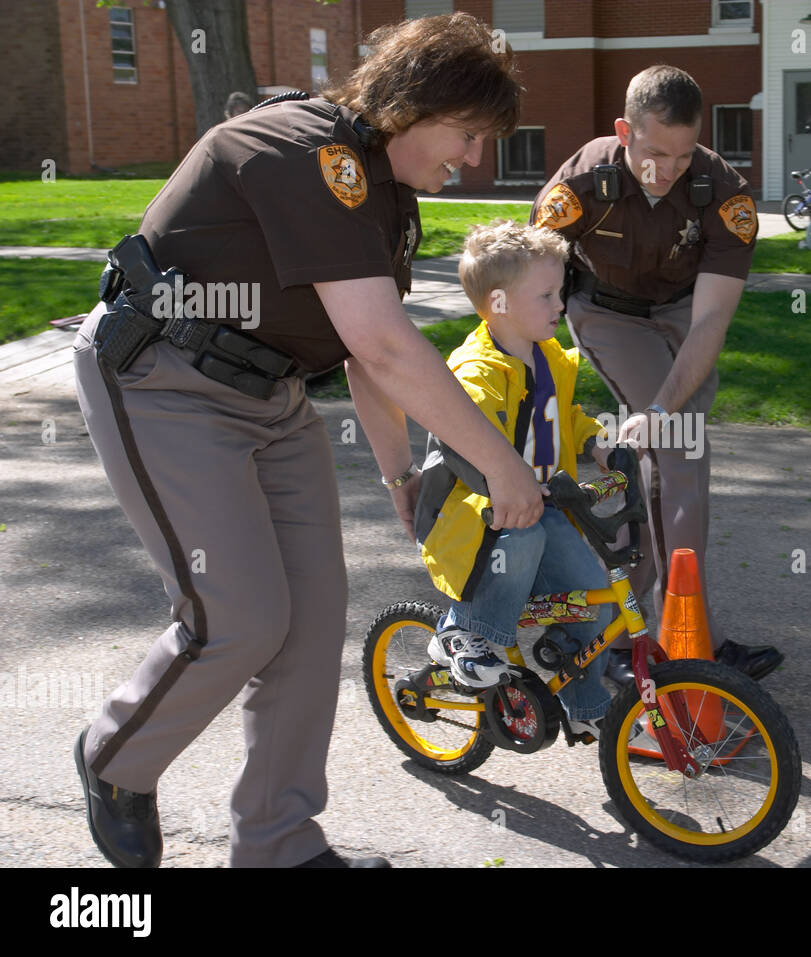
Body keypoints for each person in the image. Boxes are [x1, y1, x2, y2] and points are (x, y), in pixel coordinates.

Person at [71, 13, 542, 869]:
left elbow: (369, 357)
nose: (472, 158)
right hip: (164, 383)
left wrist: (401, 474)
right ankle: (114, 757)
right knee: (240, 617)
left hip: (273, 396)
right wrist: (501, 464)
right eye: (467, 134)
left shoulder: (386, 196)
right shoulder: (301, 148)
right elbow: (386, 344)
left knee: (312, 619)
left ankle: (278, 846)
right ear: (410, 104)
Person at [530, 65, 782, 687]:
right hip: (608, 314)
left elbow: (710, 323)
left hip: (681, 316)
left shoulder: (725, 195)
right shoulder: (582, 181)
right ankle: (695, 646)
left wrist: (663, 411)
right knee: (682, 459)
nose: (666, 169)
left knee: (664, 454)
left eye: (683, 153)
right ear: (623, 131)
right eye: (653, 153)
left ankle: (620, 629)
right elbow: (524, 273)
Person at [412, 221, 614, 737]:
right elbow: (463, 440)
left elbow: (562, 415)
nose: (560, 304)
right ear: (499, 303)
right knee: (520, 538)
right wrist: (507, 483)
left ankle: (586, 705)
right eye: (546, 294)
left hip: (546, 503)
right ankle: (464, 633)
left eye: (560, 291)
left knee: (595, 600)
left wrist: (596, 442)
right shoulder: (476, 370)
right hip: (483, 510)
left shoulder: (545, 356)